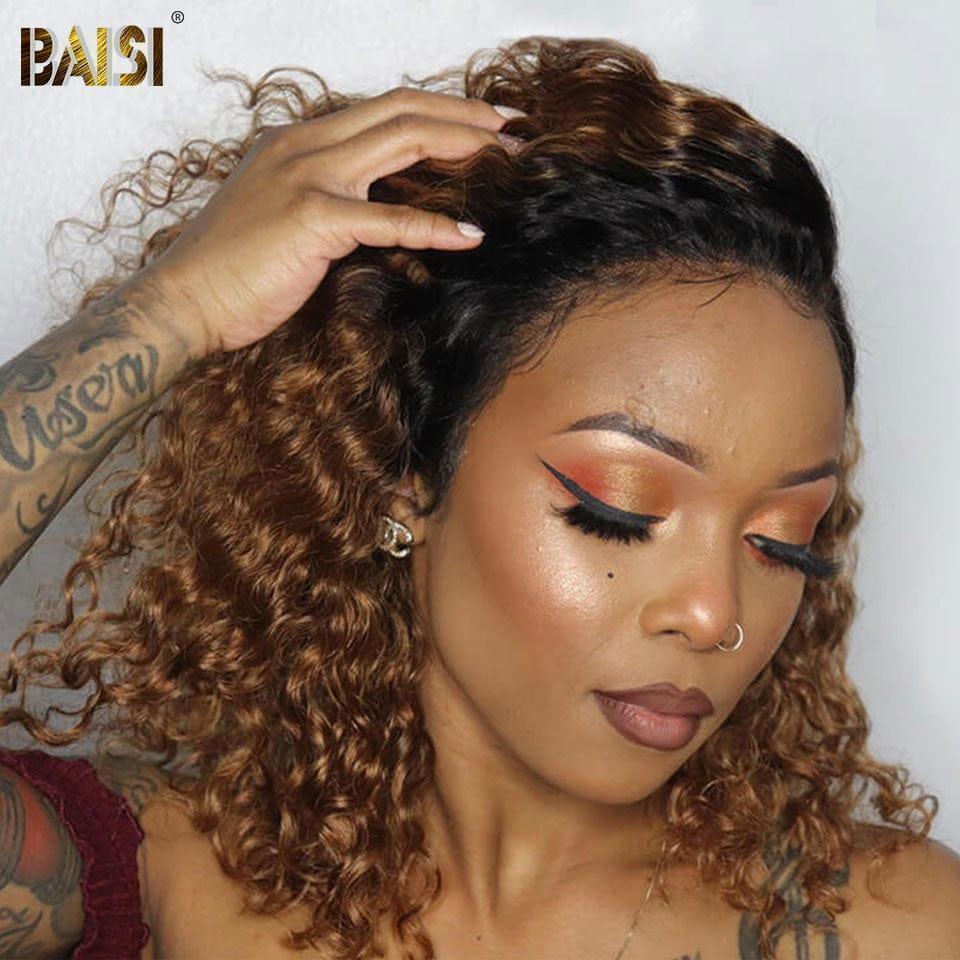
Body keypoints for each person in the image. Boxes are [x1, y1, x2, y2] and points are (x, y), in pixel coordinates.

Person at [0, 34, 957, 960]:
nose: (713, 615)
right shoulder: (170, 880)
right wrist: (177, 309)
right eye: (619, 512)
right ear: (402, 478)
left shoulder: (895, 926)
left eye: (782, 541)